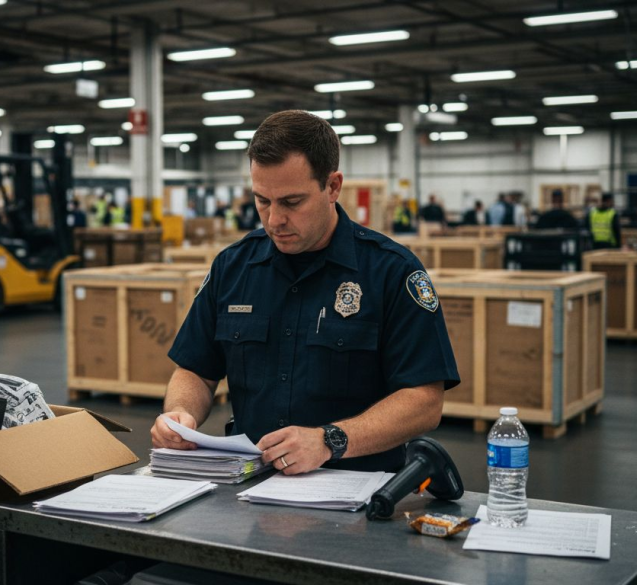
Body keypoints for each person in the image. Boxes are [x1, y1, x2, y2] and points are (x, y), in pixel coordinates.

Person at [152, 110, 460, 474]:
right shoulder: (233, 267)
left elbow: (424, 400)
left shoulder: (391, 271)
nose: (274, 220)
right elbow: (195, 371)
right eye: (262, 200)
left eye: (291, 202)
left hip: (356, 489)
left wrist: (330, 440)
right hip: (251, 484)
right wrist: (180, 413)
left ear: (332, 187)